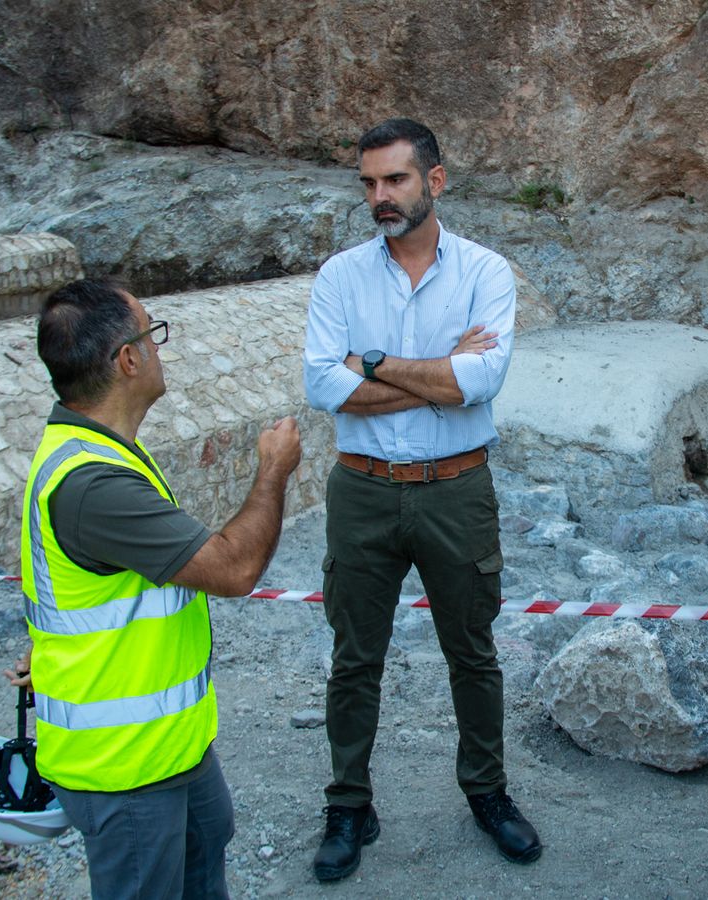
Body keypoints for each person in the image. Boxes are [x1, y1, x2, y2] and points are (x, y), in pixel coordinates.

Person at [11, 278, 303, 899]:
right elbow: (233, 570)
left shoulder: (98, 453)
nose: (160, 348)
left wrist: (49, 653)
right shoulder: (97, 484)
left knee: (204, 858)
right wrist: (274, 471)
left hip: (170, 748)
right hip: (127, 767)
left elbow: (71, 593)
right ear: (129, 359)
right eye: (153, 332)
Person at [301, 117, 538, 882]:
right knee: (353, 657)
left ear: (435, 180)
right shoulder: (340, 276)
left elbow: (480, 383)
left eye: (395, 179)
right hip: (362, 492)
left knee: (472, 651)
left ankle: (488, 793)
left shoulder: (486, 274)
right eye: (369, 182)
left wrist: (369, 364)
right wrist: (432, 374)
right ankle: (348, 804)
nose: (380, 196)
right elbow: (321, 386)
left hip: (456, 489)